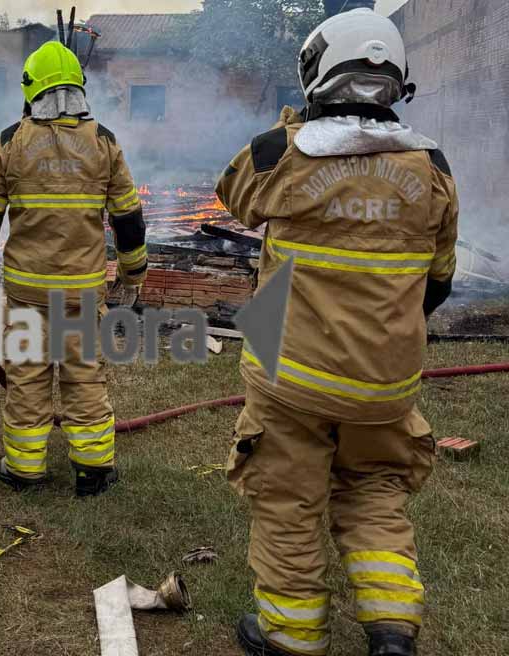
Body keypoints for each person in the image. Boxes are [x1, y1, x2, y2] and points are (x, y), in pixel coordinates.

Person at [216, 9, 457, 656]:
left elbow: (232, 194)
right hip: (386, 385)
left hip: (291, 378)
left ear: (317, 74)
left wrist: (293, 126)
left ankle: (292, 637)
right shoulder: (431, 167)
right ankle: (391, 632)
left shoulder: (281, 155)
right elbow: (438, 280)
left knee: (288, 500)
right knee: (375, 491)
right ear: (397, 79)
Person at [0, 42, 147, 497]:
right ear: (77, 89)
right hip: (81, 292)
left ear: (31, 89)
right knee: (84, 373)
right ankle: (93, 470)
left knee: (26, 375)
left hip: (27, 290)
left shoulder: (12, 141)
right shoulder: (103, 141)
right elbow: (128, 217)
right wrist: (133, 275)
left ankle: (24, 470)